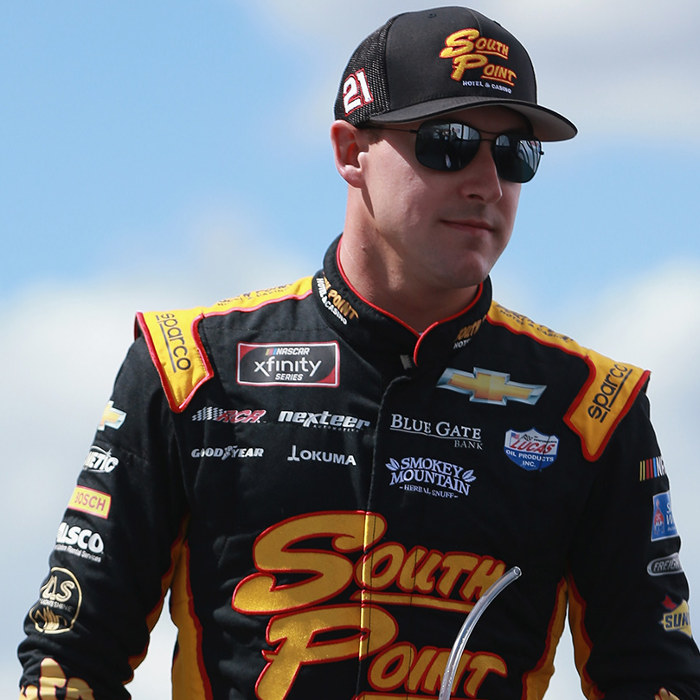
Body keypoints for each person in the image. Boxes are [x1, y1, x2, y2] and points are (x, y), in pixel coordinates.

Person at [17, 6, 700, 699]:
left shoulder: (592, 407)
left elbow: (655, 679)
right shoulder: (190, 366)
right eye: (448, 143)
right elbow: (67, 662)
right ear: (350, 152)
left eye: (513, 153)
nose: (487, 184)